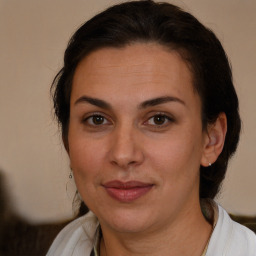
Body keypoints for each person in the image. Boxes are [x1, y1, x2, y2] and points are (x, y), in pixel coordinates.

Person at [47, 1, 256, 255]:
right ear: (67, 139)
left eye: (159, 119)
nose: (123, 155)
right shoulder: (68, 245)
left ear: (212, 139)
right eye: (97, 119)